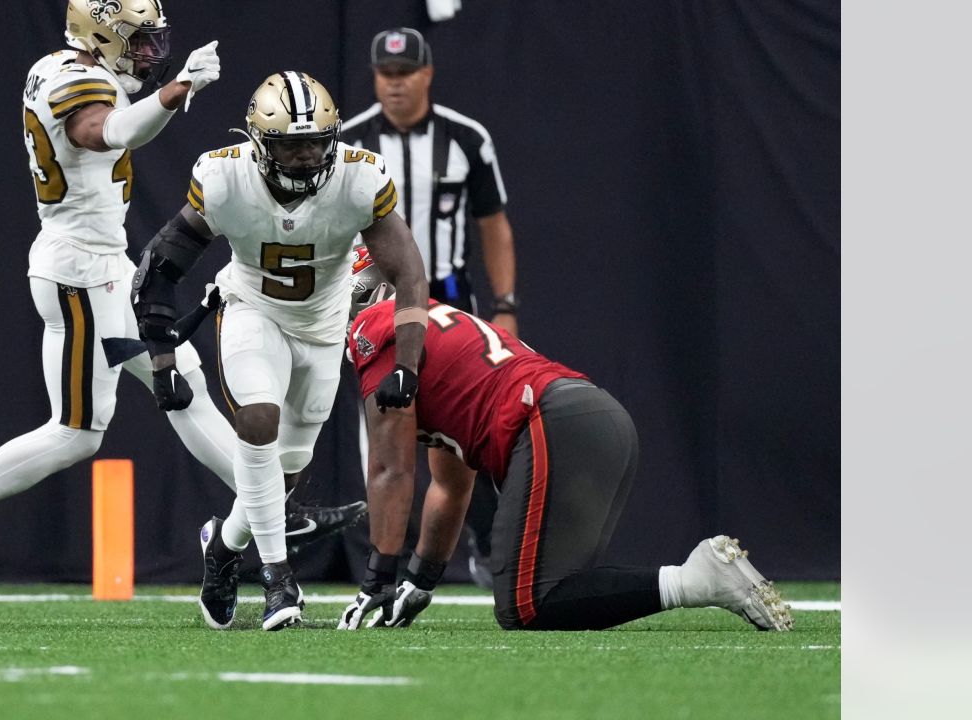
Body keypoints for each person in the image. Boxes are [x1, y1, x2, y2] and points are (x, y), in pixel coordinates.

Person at [0, 1, 361, 602]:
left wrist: (167, 91)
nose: (148, 53)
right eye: (137, 41)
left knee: (172, 384)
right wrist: (179, 88)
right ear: (98, 34)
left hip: (97, 263)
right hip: (81, 269)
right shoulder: (72, 77)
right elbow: (106, 131)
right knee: (78, 430)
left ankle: (272, 508)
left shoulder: (67, 68)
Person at [336, 252, 794, 632]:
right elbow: (450, 486)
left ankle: (698, 581)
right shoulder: (430, 327)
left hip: (547, 422)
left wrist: (377, 577)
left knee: (525, 606)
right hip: (594, 417)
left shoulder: (375, 330)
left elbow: (390, 469)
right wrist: (419, 581)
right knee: (556, 590)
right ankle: (700, 580)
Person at [131, 71, 430, 630]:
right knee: (258, 422)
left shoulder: (359, 179)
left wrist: (408, 365)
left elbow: (409, 275)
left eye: (315, 141)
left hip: (322, 327)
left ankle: (221, 549)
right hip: (252, 310)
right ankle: (278, 581)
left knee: (285, 471)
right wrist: (162, 357)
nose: (305, 156)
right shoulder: (225, 178)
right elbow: (158, 269)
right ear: (259, 142)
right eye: (290, 144)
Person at [341, 27, 520, 587]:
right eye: (385, 76)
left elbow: (494, 225)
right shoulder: (348, 141)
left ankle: (486, 549)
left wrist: (505, 302)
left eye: (406, 74)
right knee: (386, 433)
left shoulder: (467, 138)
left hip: (448, 294)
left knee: (462, 433)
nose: (395, 86)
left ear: (427, 74)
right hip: (376, 302)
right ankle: (383, 563)